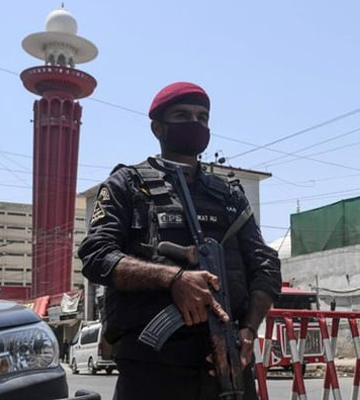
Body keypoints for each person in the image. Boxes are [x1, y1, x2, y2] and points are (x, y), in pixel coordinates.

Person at [78, 82, 282, 400]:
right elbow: (96, 255)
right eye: (183, 115)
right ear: (157, 128)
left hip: (227, 362)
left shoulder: (230, 194)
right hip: (153, 369)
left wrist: (248, 331)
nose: (195, 123)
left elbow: (265, 266)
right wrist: (173, 279)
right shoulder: (127, 185)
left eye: (203, 117)